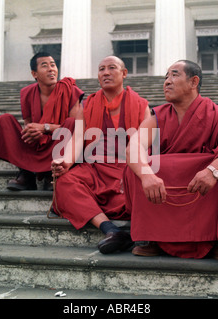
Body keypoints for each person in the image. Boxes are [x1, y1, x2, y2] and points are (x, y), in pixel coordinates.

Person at [124, 60, 218, 263]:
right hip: (169, 182)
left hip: (203, 181)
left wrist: (212, 171)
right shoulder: (157, 117)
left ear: (193, 82)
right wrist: (147, 175)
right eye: (165, 77)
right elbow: (134, 146)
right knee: (137, 168)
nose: (166, 82)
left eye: (174, 75)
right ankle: (153, 238)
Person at [51, 56, 151, 254]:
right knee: (65, 182)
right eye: (101, 69)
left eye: (112, 68)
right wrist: (65, 161)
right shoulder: (87, 105)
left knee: (144, 192)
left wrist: (136, 172)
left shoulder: (141, 105)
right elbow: (78, 138)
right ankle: (110, 229)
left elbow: (144, 145)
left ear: (124, 73)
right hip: (95, 167)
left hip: (126, 167)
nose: (105, 73)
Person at [0, 52, 84, 191]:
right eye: (44, 66)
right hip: (38, 143)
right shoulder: (27, 93)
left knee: (70, 122)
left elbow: (76, 130)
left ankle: (52, 174)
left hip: (58, 143)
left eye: (53, 65)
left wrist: (45, 128)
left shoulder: (70, 91)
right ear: (34, 73)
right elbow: (28, 126)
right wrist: (33, 131)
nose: (51, 69)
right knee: (5, 119)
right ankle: (26, 174)